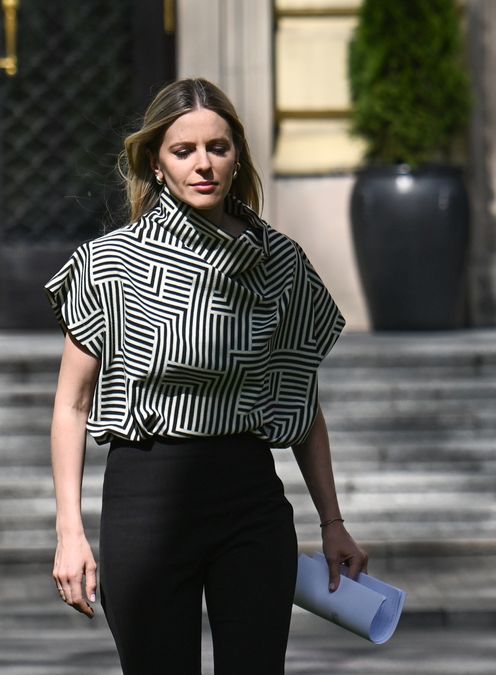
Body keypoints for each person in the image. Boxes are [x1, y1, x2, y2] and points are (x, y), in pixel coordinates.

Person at [46, 78, 367, 674]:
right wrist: (70, 530)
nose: (203, 165)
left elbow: (301, 400)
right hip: (144, 497)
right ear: (155, 162)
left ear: (237, 155)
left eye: (217, 148)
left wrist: (333, 521)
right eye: (183, 150)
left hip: (249, 498)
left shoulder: (281, 263)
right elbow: (70, 404)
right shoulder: (108, 264)